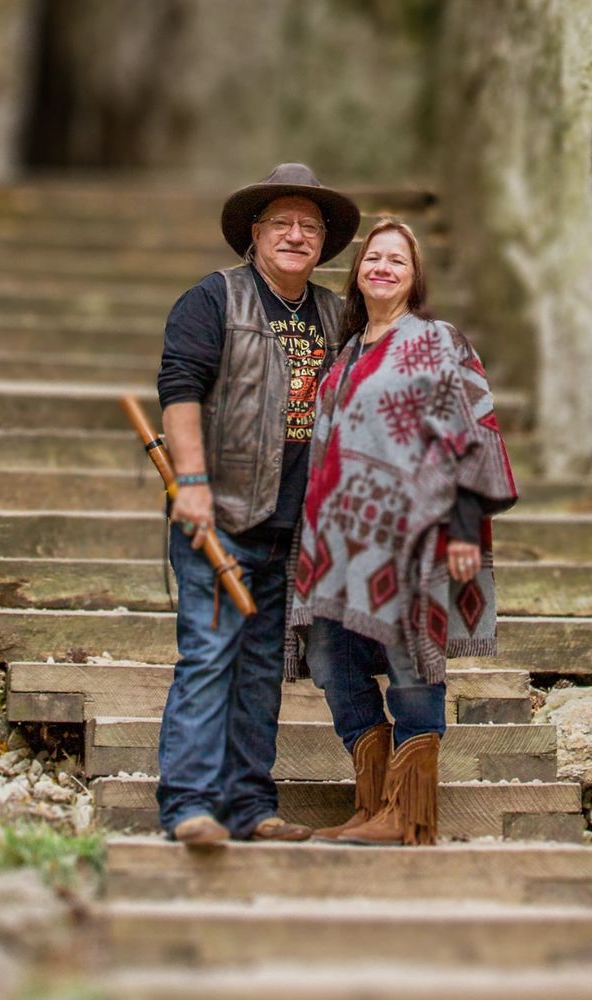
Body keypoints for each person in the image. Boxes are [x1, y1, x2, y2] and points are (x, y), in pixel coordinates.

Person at [288, 219, 517, 846]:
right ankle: (373, 803)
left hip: (416, 533)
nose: (383, 267)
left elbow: (471, 428)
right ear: (358, 272)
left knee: (410, 653)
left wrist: (465, 527)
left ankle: (409, 811)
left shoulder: (436, 340)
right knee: (330, 657)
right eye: (374, 257)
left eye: (398, 260)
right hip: (337, 542)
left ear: (414, 279)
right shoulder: (345, 355)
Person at [152, 163, 360, 845]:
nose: (296, 235)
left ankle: (247, 806)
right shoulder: (214, 299)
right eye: (282, 223)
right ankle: (189, 804)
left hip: (293, 531)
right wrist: (191, 483)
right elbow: (180, 389)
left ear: (323, 242)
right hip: (222, 518)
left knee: (264, 668)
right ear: (256, 232)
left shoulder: (335, 315)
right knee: (211, 655)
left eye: (310, 226)